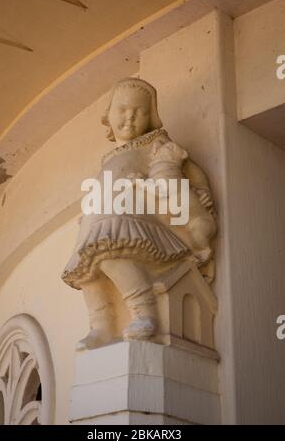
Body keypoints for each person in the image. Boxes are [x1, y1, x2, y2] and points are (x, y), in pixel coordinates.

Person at [62, 77, 216, 349]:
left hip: (136, 222)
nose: (130, 117)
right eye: (122, 110)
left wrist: (195, 190)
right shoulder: (110, 158)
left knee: (109, 258)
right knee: (87, 274)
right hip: (99, 221)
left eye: (139, 111)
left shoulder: (158, 145)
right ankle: (101, 327)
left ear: (151, 117)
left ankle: (144, 313)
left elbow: (180, 178)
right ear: (107, 116)